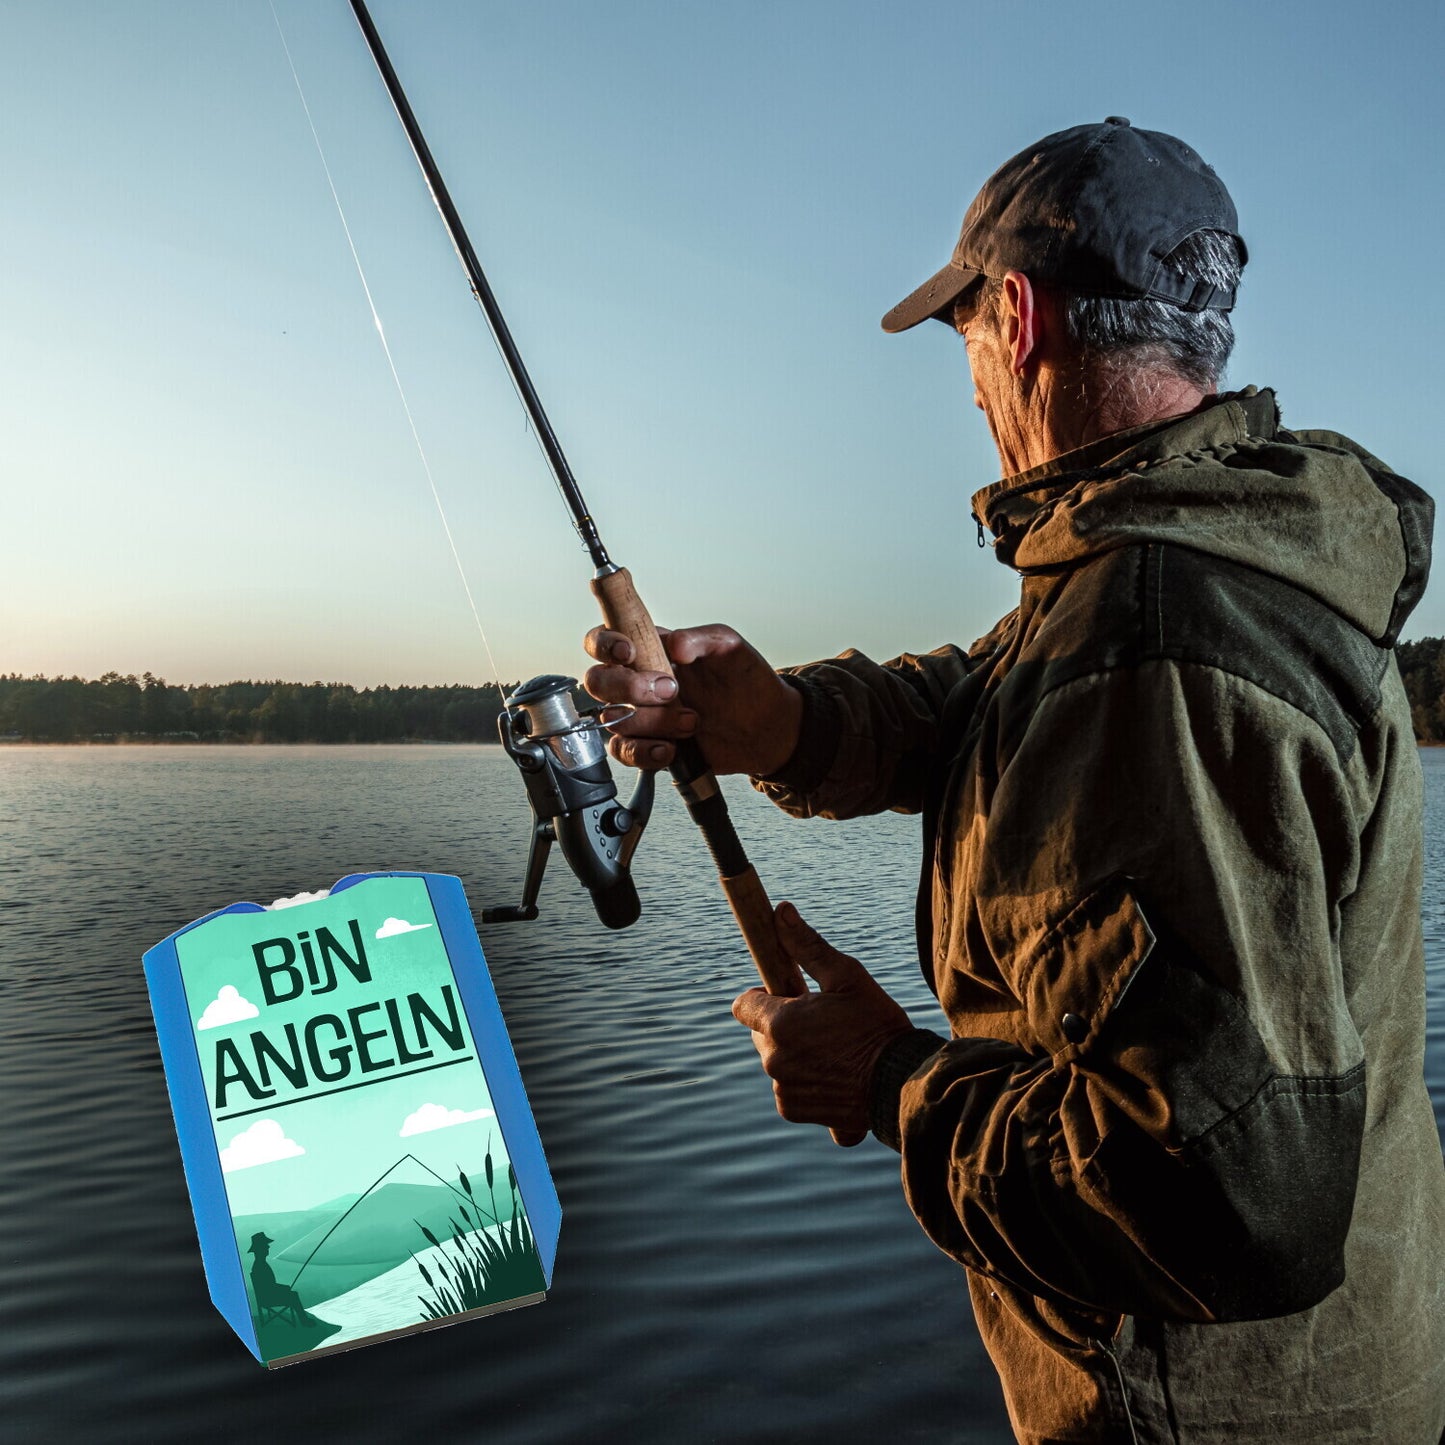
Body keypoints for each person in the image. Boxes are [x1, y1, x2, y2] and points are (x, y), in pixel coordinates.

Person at [584, 118, 1445, 1442]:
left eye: (966, 339)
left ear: (1020, 318)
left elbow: (1223, 1199)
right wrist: (777, 719)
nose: (973, 386)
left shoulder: (1158, 635)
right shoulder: (1202, 552)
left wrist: (888, 1083)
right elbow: (983, 698)